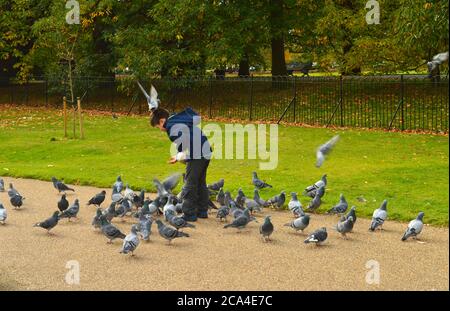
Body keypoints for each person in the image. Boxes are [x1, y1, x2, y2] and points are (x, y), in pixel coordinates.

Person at [150, 107, 212, 222]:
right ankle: (202, 211)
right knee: (200, 182)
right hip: (206, 150)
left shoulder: (170, 127)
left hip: (197, 154)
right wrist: (179, 156)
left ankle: (189, 214)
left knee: (190, 183)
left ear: (162, 121)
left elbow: (184, 141)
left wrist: (180, 156)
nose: (160, 129)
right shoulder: (176, 118)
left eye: (158, 126)